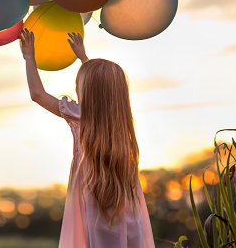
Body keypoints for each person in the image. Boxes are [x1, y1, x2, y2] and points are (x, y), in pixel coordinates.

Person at [19, 29, 156, 248]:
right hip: (124, 192)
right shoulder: (120, 118)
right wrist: (84, 58)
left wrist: (29, 58)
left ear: (86, 90)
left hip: (93, 188)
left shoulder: (80, 114)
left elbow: (38, 95)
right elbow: (104, 88)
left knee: (99, 239)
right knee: (127, 235)